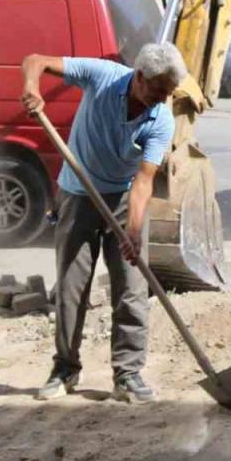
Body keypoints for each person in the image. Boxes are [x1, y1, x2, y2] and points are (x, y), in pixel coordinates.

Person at [19, 44, 183, 405]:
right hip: (77, 195)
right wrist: (32, 88)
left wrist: (133, 230)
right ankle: (65, 368)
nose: (161, 99)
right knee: (71, 288)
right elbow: (37, 58)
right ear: (139, 76)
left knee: (132, 290)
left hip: (125, 199)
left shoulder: (162, 119)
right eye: (157, 90)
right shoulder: (102, 76)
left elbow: (144, 180)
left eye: (168, 93)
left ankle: (128, 374)